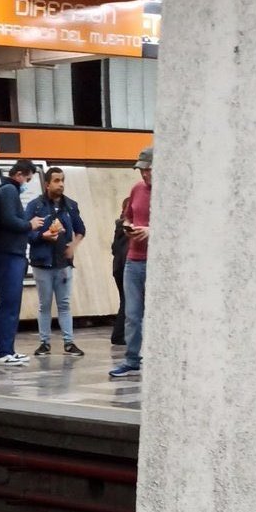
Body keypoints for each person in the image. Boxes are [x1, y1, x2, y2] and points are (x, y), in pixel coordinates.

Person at [25, 166, 86, 357]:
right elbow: (26, 233)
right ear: (47, 184)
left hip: (63, 262)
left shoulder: (71, 206)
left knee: (64, 304)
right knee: (44, 304)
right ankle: (44, 343)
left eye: (62, 180)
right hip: (42, 262)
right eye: (56, 181)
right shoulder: (35, 206)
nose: (61, 184)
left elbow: (81, 230)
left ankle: (69, 342)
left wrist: (73, 246)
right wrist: (42, 236)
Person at [0, 158, 37, 366]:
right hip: (9, 254)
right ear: (19, 174)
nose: (27, 183)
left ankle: (7, 349)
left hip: (8, 254)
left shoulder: (4, 190)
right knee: (9, 303)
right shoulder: (9, 190)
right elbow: (9, 220)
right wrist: (30, 224)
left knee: (10, 303)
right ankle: (3, 351)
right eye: (28, 179)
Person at [110, 146, 152, 379]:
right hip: (133, 259)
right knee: (132, 314)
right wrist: (128, 226)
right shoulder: (137, 189)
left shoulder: (169, 192)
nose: (144, 174)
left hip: (155, 262)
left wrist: (150, 231)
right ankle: (132, 359)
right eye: (142, 170)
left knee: (155, 315)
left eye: (148, 169)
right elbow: (128, 216)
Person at [109, 197, 129, 347]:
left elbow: (114, 248)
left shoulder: (119, 226)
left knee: (125, 300)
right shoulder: (126, 227)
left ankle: (120, 334)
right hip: (125, 267)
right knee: (127, 301)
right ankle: (119, 335)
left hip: (118, 267)